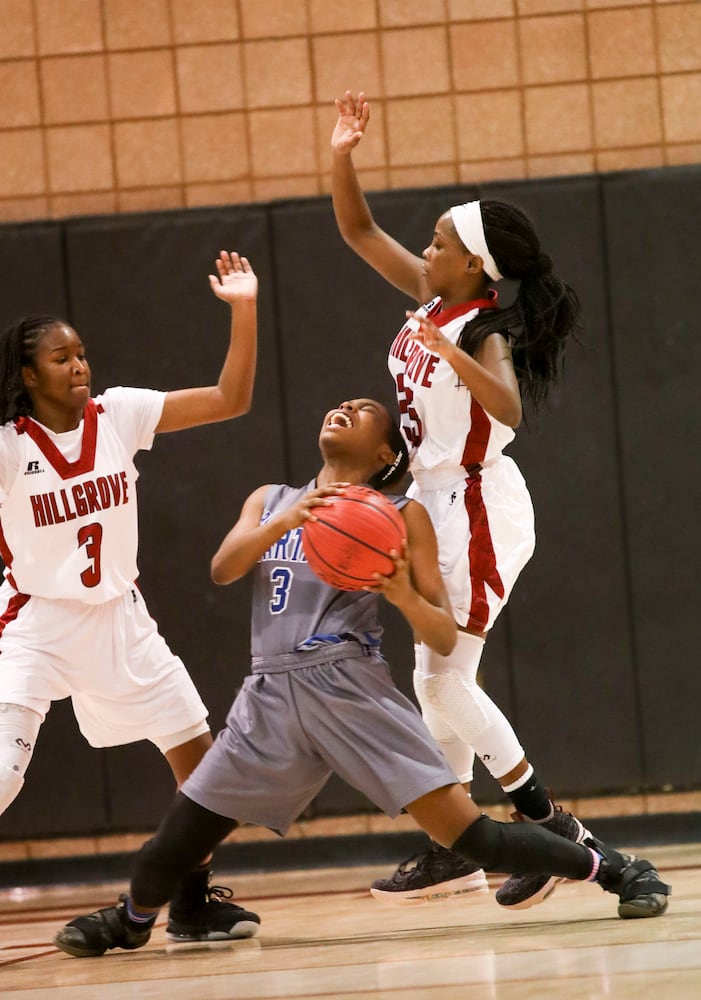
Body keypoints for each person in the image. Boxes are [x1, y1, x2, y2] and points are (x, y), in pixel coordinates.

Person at [53, 396, 669, 957]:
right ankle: (133, 920)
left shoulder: (403, 515)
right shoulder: (269, 498)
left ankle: (614, 868)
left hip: (349, 687)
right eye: (341, 403)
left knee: (473, 839)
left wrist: (402, 594)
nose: (344, 406)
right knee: (173, 843)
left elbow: (443, 636)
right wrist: (284, 521)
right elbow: (222, 568)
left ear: (384, 454)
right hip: (268, 691)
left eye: (365, 408)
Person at [329, 91, 663, 912]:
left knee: (443, 687)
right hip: (432, 502)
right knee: (433, 679)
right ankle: (458, 840)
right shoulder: (431, 297)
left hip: (476, 507)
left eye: (440, 240)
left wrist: (453, 348)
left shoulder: (482, 329)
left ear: (473, 265)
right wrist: (341, 153)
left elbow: (507, 410)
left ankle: (556, 836)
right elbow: (357, 232)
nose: (427, 245)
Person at [0, 251, 262, 943]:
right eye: (61, 358)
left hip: (123, 622)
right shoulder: (5, 447)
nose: (79, 365)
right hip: (38, 626)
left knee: (209, 778)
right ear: (28, 375)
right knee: (1, 776)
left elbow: (229, 399)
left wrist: (243, 308)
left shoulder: (119, 414)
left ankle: (191, 904)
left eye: (82, 353)